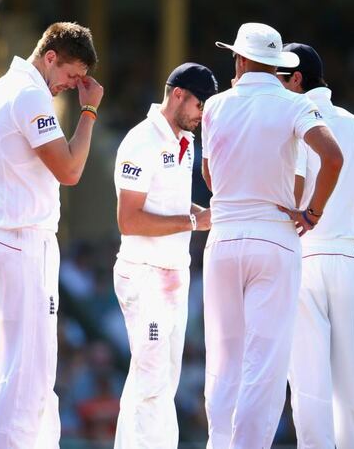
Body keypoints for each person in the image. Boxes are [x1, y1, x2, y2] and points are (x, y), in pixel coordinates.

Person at [0, 22, 103, 449]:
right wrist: (90, 111)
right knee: (27, 369)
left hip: (8, 235)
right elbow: (72, 170)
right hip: (22, 240)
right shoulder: (29, 94)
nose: (74, 87)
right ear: (51, 57)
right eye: (73, 76)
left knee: (33, 365)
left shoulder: (4, 85)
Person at [200, 23, 344, 448]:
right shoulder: (293, 104)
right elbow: (332, 157)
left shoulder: (214, 105)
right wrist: (313, 211)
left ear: (240, 60)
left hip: (224, 236)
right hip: (274, 237)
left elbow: (210, 175)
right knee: (264, 364)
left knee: (223, 359)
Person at [277, 42, 354, 449]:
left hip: (303, 254)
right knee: (349, 380)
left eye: (278, 79)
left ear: (296, 79)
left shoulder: (293, 120)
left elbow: (297, 191)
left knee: (308, 383)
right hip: (344, 260)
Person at [112, 62, 217, 448]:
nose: (202, 113)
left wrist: (198, 214)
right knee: (152, 379)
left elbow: (168, 203)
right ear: (178, 94)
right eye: (199, 103)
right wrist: (194, 222)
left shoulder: (185, 142)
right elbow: (129, 219)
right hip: (144, 273)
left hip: (174, 271)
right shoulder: (141, 141)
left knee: (160, 378)